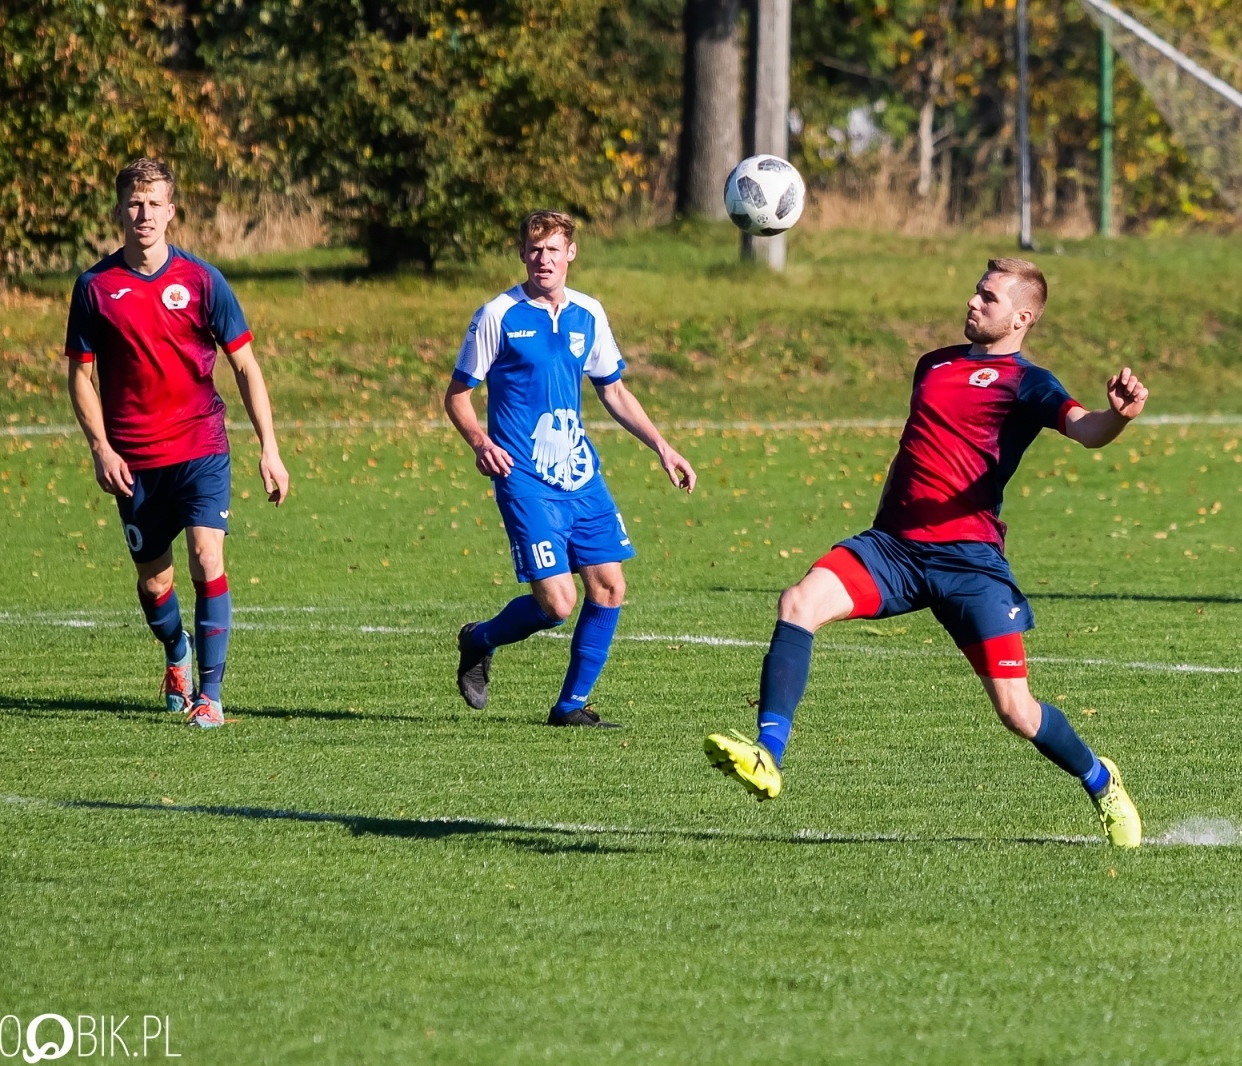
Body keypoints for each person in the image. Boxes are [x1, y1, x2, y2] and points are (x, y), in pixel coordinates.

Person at [703, 258, 1146, 847]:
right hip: (893, 548)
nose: (971, 301)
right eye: (975, 291)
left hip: (970, 565)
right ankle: (768, 753)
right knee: (799, 602)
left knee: (1017, 711)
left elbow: (1085, 430)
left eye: (987, 297)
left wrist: (1117, 416)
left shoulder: (1028, 381)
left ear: (1022, 317)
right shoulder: (932, 364)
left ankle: (1100, 780)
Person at [447, 210, 695, 727]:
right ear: (522, 254)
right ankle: (479, 639)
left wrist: (663, 447)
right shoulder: (498, 314)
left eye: (553, 250)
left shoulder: (589, 313)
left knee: (609, 587)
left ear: (570, 254)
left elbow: (614, 390)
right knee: (557, 604)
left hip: (580, 476)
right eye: (535, 250)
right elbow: (458, 396)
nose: (544, 260)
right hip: (524, 477)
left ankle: (570, 707)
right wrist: (479, 441)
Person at [65, 158, 289, 729]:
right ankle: (176, 652)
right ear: (119, 210)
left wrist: (269, 447)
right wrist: (100, 448)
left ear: (171, 211)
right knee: (154, 581)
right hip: (135, 460)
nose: (144, 214)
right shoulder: (95, 287)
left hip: (201, 446)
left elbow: (245, 365)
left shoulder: (202, 280)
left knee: (207, 557)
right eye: (134, 204)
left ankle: (209, 698)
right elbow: (80, 377)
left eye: (154, 204)